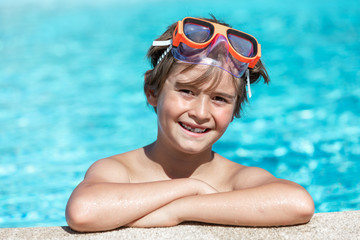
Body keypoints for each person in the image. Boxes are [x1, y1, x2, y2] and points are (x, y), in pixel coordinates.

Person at [65, 16, 314, 232]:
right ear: (152, 91)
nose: (201, 113)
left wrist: (178, 210)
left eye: (219, 99)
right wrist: (191, 187)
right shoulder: (119, 170)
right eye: (187, 91)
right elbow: (83, 211)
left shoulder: (236, 177)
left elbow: (297, 203)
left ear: (235, 108)